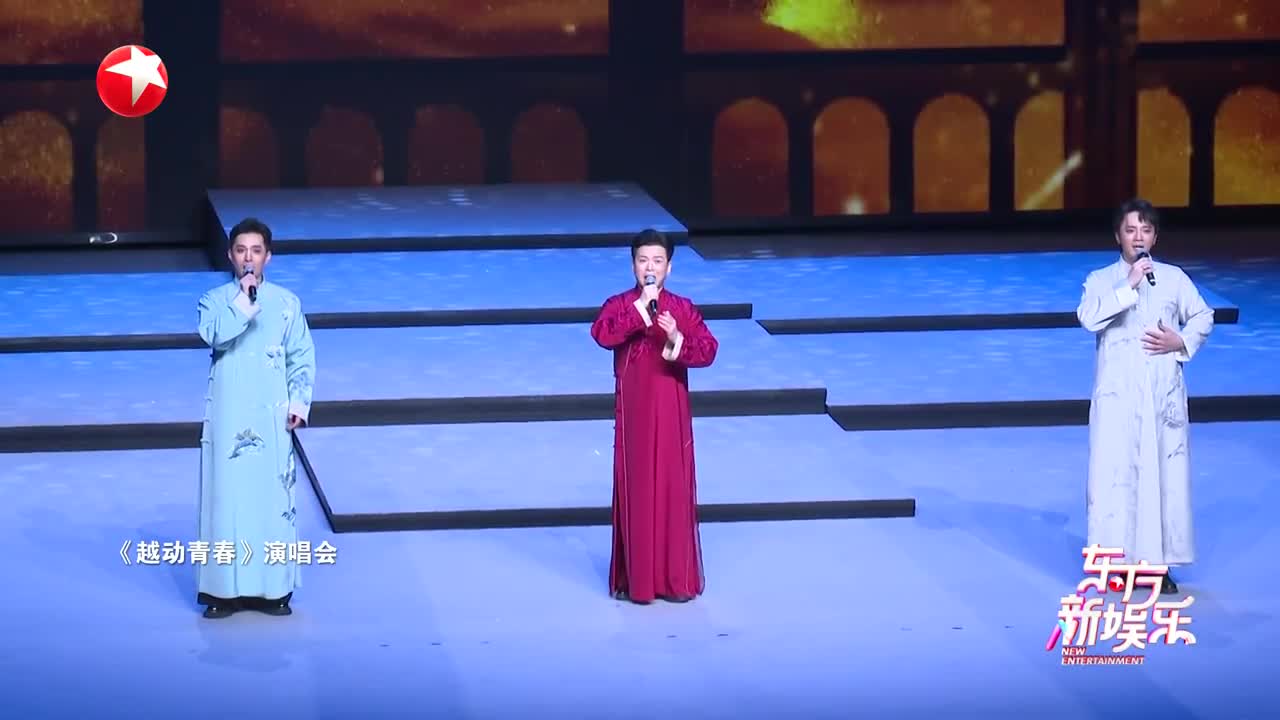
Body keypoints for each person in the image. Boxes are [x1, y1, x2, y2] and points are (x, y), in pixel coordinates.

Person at [1076, 198, 1214, 594]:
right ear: (1117, 235)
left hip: (1160, 395)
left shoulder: (1173, 278)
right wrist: (1129, 285)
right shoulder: (1101, 280)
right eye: (1131, 230)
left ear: (1155, 237)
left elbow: (1203, 315)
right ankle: (1116, 565)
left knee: (1161, 478)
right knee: (1114, 478)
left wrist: (1180, 340)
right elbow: (1088, 318)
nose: (1139, 237)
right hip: (1118, 398)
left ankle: (1157, 566)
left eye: (1146, 230)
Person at [195, 217, 316, 618]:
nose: (249, 258)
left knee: (271, 500)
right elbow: (215, 336)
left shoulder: (287, 303)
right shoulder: (214, 301)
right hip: (228, 413)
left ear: (268, 257)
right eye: (241, 250)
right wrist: (244, 301)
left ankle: (273, 590)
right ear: (230, 256)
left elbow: (302, 357)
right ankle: (222, 593)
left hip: (271, 414)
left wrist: (298, 405)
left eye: (256, 251)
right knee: (226, 500)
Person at [590, 229, 719, 604]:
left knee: (671, 486)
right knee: (638, 486)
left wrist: (676, 337)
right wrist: (639, 309)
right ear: (633, 265)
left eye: (657, 261)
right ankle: (638, 581)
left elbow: (708, 349)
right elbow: (602, 335)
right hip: (633, 410)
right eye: (643, 260)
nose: (650, 267)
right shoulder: (620, 304)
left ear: (669, 267)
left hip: (670, 407)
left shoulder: (681, 308)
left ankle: (674, 579)